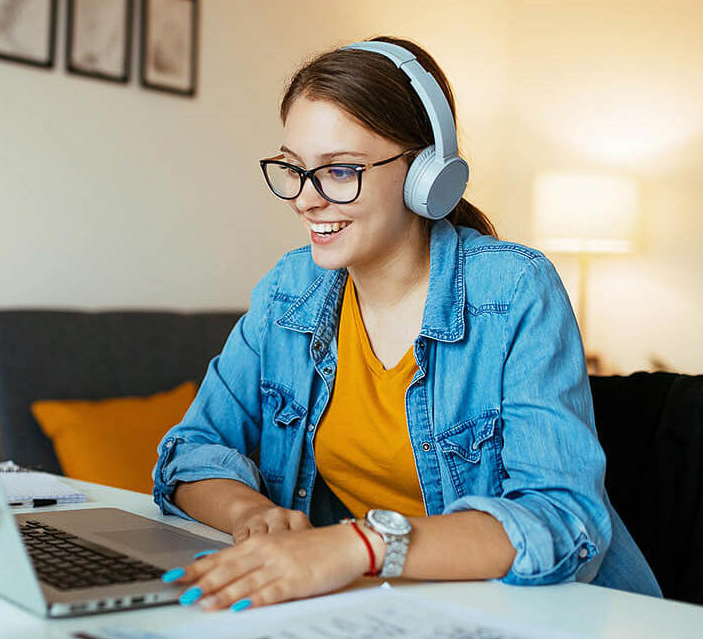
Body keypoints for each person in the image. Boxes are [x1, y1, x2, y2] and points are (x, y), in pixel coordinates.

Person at [151, 36, 661, 612]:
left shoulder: (513, 291)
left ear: (427, 172)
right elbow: (192, 449)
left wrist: (355, 546)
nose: (306, 200)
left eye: (340, 171)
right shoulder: (289, 291)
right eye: (293, 169)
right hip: (389, 606)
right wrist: (254, 516)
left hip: (554, 614)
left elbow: (565, 522)